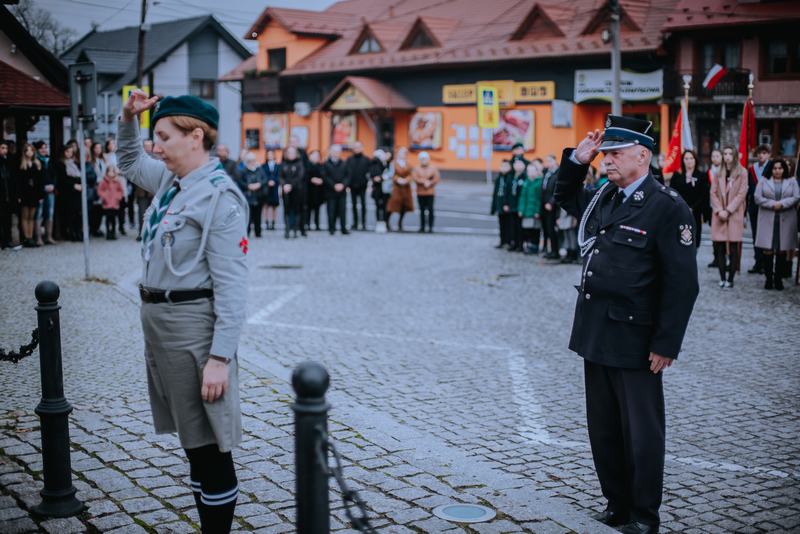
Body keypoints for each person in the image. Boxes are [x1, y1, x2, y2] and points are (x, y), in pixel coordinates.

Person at [555, 115, 698, 534]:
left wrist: (666, 344)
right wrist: (577, 161)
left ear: (642, 156)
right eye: (605, 154)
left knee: (641, 433)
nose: (607, 161)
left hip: (635, 338)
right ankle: (616, 503)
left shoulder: (667, 206)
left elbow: (682, 285)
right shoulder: (605, 197)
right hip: (596, 330)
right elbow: (563, 196)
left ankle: (644, 515)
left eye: (616, 153)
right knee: (603, 429)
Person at [118, 91, 248, 534]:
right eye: (154, 136)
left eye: (164, 136)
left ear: (195, 137)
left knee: (209, 447)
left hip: (193, 331)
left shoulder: (219, 199)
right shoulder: (172, 182)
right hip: (162, 327)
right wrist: (127, 118)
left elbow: (232, 287)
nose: (155, 146)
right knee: (193, 443)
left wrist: (220, 358)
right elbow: (129, 161)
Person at [754, 159, 799, 290]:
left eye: (780, 168)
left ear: (784, 169)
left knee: (781, 250)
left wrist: (782, 204)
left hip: (786, 219)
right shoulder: (763, 181)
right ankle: (768, 279)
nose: (777, 171)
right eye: (775, 168)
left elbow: (796, 197)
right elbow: (757, 197)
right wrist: (772, 204)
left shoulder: (792, 181)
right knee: (768, 250)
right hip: (768, 218)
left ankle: (778, 279)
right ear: (771, 169)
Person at [710, 145, 748, 288]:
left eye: (730, 154)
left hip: (734, 213)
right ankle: (722, 277)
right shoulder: (718, 172)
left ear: (735, 156)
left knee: (733, 247)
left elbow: (741, 194)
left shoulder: (742, 172)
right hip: (719, 214)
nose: (727, 156)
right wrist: (720, 210)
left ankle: (730, 279)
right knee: (719, 246)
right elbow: (713, 193)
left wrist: (729, 210)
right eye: (725, 153)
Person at [672, 150, 709, 248]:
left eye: (691, 158)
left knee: (695, 239)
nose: (689, 161)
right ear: (683, 160)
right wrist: (682, 207)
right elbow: (673, 193)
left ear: (695, 160)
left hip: (695, 212)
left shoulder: (701, 176)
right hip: (680, 212)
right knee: (680, 238)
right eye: (686, 158)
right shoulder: (677, 175)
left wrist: (693, 208)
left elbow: (703, 195)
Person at [747, 145, 771, 274]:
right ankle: (758, 262)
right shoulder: (752, 169)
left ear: (769, 155)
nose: (761, 155)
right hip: (754, 207)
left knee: (766, 236)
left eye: (764, 153)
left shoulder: (772, 167)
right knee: (756, 235)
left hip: (767, 206)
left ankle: (766, 264)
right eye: (759, 153)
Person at [16, 143, 45, 247]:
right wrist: (18, 195)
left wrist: (41, 195)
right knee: (25, 216)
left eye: (31, 150)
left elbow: (40, 181)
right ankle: (26, 238)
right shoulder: (21, 164)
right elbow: (18, 182)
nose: (30, 152)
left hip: (34, 193)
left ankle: (31, 237)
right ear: (24, 152)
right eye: (27, 150)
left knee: (32, 216)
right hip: (24, 192)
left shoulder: (37, 163)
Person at [55, 144, 83, 242]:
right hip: (67, 192)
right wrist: (73, 185)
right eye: (67, 152)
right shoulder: (61, 164)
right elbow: (62, 179)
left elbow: (80, 176)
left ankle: (78, 232)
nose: (69, 154)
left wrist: (80, 184)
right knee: (70, 213)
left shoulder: (75, 162)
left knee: (78, 213)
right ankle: (70, 233)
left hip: (77, 191)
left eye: (71, 152)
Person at [237, 152, 267, 238]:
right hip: (248, 196)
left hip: (259, 196)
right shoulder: (243, 171)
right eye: (249, 160)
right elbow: (240, 182)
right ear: (246, 161)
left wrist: (259, 184)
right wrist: (248, 186)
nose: (251, 162)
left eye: (253, 160)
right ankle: (247, 232)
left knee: (258, 215)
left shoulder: (259, 169)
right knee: (248, 216)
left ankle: (258, 232)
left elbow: (265, 179)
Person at [517, 160, 543, 254]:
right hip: (526, 211)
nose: (530, 173)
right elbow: (522, 197)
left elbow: (539, 199)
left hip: (534, 212)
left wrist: (537, 211)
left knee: (535, 230)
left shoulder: (539, 182)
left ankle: (535, 246)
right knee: (527, 229)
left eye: (532, 171)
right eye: (528, 171)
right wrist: (521, 209)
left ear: (536, 172)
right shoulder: (526, 182)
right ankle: (529, 245)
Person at [386, 147, 414, 231]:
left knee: (404, 206)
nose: (403, 155)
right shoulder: (393, 163)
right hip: (396, 187)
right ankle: (387, 222)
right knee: (392, 205)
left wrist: (406, 180)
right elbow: (391, 174)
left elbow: (411, 174)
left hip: (406, 187)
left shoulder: (408, 164)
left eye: (404, 153)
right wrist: (398, 179)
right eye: (401, 153)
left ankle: (400, 223)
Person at [323, 144, 349, 235]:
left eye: (338, 151)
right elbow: (325, 177)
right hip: (330, 191)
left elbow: (347, 176)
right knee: (331, 210)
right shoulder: (326, 164)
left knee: (342, 211)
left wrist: (343, 185)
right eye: (334, 151)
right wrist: (334, 185)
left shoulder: (344, 163)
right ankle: (331, 228)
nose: (336, 153)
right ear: (330, 152)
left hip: (342, 191)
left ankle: (343, 228)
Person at [0, 140, 22, 250]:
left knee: (7, 220)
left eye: (6, 148)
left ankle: (7, 241)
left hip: (8, 196)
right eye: (2, 148)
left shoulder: (9, 162)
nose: (5, 150)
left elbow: (14, 180)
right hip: (2, 195)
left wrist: (16, 195)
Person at [280, 146, 305, 239]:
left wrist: (290, 185)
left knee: (296, 209)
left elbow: (300, 176)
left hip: (297, 190)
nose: (291, 154)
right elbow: (280, 176)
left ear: (296, 154)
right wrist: (284, 185)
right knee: (286, 209)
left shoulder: (299, 163)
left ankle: (295, 230)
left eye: (293, 152)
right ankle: (287, 229)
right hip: (286, 190)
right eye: (289, 152)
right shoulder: (283, 164)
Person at [33, 141, 56, 245]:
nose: (43, 150)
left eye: (45, 148)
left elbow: (55, 175)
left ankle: (49, 236)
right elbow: (36, 178)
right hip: (40, 191)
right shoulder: (35, 161)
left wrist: (53, 185)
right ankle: (38, 237)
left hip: (51, 190)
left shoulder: (50, 161)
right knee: (39, 213)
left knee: (50, 213)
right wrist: (42, 187)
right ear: (37, 150)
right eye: (41, 148)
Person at [345, 141, 370, 231]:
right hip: (352, 186)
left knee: (363, 204)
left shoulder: (366, 159)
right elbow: (347, 172)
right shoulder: (349, 160)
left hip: (363, 185)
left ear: (362, 148)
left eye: (359, 147)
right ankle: (355, 223)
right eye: (355, 147)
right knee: (354, 205)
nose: (357, 149)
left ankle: (363, 223)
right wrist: (347, 184)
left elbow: (370, 172)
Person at [412, 151, 440, 233]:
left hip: (430, 192)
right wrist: (424, 181)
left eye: (425, 158)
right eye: (422, 159)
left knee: (431, 209)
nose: (424, 160)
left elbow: (436, 178)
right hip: (420, 192)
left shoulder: (433, 168)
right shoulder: (416, 168)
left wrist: (430, 182)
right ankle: (422, 226)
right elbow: (415, 178)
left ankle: (430, 227)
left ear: (428, 159)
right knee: (421, 210)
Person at [134, 139, 155, 241]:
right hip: (141, 190)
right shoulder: (139, 158)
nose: (147, 148)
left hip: (153, 190)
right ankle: (141, 233)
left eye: (149, 146)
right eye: (145, 146)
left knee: (153, 212)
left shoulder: (157, 158)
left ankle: (151, 232)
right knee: (141, 212)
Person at [97, 165, 124, 240]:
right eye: (109, 171)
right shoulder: (104, 181)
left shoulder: (117, 181)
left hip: (115, 203)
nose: (111, 173)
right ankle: (108, 233)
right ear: (107, 172)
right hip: (107, 203)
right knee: (108, 218)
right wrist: (105, 196)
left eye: (112, 171)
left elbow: (120, 190)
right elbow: (100, 190)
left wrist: (118, 197)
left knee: (114, 219)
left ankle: (113, 232)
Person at [540, 154, 560, 259]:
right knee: (547, 229)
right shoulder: (547, 173)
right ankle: (550, 250)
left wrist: (551, 203)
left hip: (552, 207)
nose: (548, 163)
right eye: (547, 161)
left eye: (550, 161)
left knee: (552, 229)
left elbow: (557, 190)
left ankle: (555, 252)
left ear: (555, 161)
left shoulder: (558, 173)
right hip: (544, 205)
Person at [491, 160, 512, 248]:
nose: (503, 168)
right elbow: (495, 194)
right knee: (501, 224)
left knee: (508, 225)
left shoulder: (510, 178)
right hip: (499, 205)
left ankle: (508, 241)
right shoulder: (499, 178)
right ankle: (502, 241)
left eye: (505, 166)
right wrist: (493, 207)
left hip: (507, 206)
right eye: (502, 166)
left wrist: (507, 204)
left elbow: (510, 193)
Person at [507, 158, 527, 251]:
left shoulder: (524, 176)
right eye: (516, 164)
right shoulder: (511, 176)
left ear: (523, 166)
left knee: (520, 227)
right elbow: (507, 191)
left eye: (519, 164)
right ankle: (513, 243)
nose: (517, 166)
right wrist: (506, 203)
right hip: (512, 205)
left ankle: (520, 244)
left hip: (520, 206)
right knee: (512, 226)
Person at [305, 149, 325, 231]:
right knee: (308, 209)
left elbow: (325, 175)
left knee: (317, 209)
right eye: (314, 155)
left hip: (318, 191)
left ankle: (317, 224)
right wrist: (311, 179)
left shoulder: (321, 166)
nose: (316, 157)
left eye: (317, 156)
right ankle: (307, 224)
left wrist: (321, 180)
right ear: (310, 156)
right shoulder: (306, 165)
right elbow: (305, 176)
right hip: (309, 190)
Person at [260, 150, 280, 231]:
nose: (270, 156)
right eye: (268, 154)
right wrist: (268, 181)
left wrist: (274, 181)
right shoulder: (263, 166)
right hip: (266, 188)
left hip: (275, 188)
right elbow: (262, 175)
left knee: (274, 206)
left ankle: (273, 223)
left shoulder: (278, 166)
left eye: (271, 154)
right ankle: (267, 222)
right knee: (266, 205)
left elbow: (279, 175)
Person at [369, 149, 388, 228]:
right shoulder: (377, 163)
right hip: (379, 188)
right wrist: (381, 178)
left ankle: (381, 222)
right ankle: (382, 222)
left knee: (380, 206)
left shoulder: (383, 163)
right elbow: (376, 177)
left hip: (380, 187)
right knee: (381, 206)